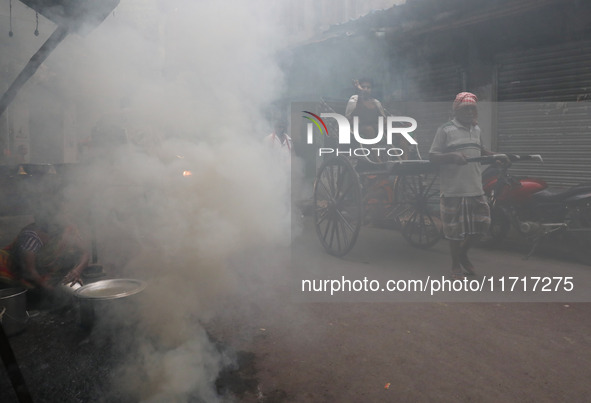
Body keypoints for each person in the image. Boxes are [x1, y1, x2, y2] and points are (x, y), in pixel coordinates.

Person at [429, 92, 504, 278]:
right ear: (457, 110)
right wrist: (451, 156)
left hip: (475, 188)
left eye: (472, 109)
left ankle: (462, 253)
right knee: (454, 231)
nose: (470, 112)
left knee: (483, 224)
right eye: (466, 108)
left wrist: (496, 156)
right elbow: (432, 156)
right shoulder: (445, 130)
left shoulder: (477, 129)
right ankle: (455, 264)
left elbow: (481, 150)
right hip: (453, 189)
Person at [0, 198, 90, 304]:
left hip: (43, 269)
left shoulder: (67, 229)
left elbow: (85, 253)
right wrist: (52, 290)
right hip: (14, 272)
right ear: (51, 220)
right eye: (63, 214)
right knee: (35, 299)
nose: (68, 217)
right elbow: (30, 272)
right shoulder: (32, 237)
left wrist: (76, 272)